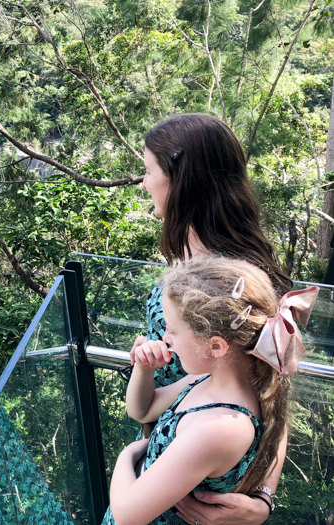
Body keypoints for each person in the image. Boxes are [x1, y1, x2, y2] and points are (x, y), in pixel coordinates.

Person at [137, 113, 292, 524]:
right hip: (167, 441)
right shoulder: (190, 258)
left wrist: (263, 498)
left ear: (179, 179)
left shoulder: (240, 281)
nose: (144, 182)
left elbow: (277, 389)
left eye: (148, 170)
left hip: (202, 468)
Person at [103, 258, 319, 525]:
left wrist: (130, 453)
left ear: (216, 347)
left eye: (172, 329)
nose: (165, 337)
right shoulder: (208, 378)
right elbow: (142, 410)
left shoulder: (220, 428)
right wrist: (145, 370)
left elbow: (125, 516)